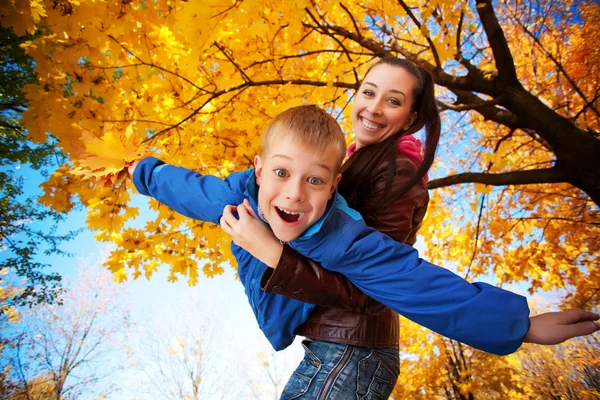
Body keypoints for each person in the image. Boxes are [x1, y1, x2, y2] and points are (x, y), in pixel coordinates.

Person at [129, 104, 599, 396]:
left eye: (314, 180)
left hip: (352, 357)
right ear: (258, 168)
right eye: (281, 173)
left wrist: (522, 327)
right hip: (321, 351)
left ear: (334, 184)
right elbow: (187, 188)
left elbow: (414, 282)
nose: (294, 194)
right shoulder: (239, 197)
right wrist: (140, 171)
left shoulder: (340, 233)